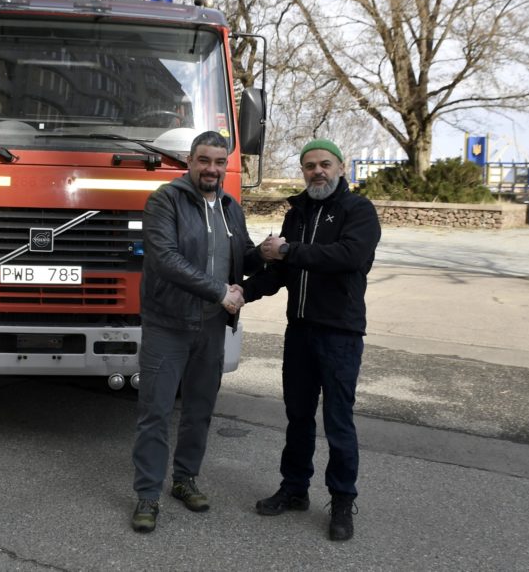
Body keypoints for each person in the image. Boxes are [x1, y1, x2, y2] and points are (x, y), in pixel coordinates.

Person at [243, 138, 381, 542]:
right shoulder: (298, 213)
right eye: (309, 166)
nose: (317, 171)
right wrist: (237, 294)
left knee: (338, 422)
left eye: (324, 164)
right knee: (298, 417)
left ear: (341, 167)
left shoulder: (359, 210)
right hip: (300, 332)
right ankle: (294, 488)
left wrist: (289, 250)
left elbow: (348, 257)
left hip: (340, 334)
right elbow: (280, 274)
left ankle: (341, 501)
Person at [130, 130, 263, 534]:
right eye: (204, 160)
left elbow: (242, 255)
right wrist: (220, 291)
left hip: (210, 326)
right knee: (155, 412)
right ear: (189, 162)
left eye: (219, 162)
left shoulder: (230, 207)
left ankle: (185, 480)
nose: (212, 169)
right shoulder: (164, 201)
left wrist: (268, 254)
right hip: (167, 324)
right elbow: (166, 259)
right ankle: (147, 496)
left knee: (199, 410)